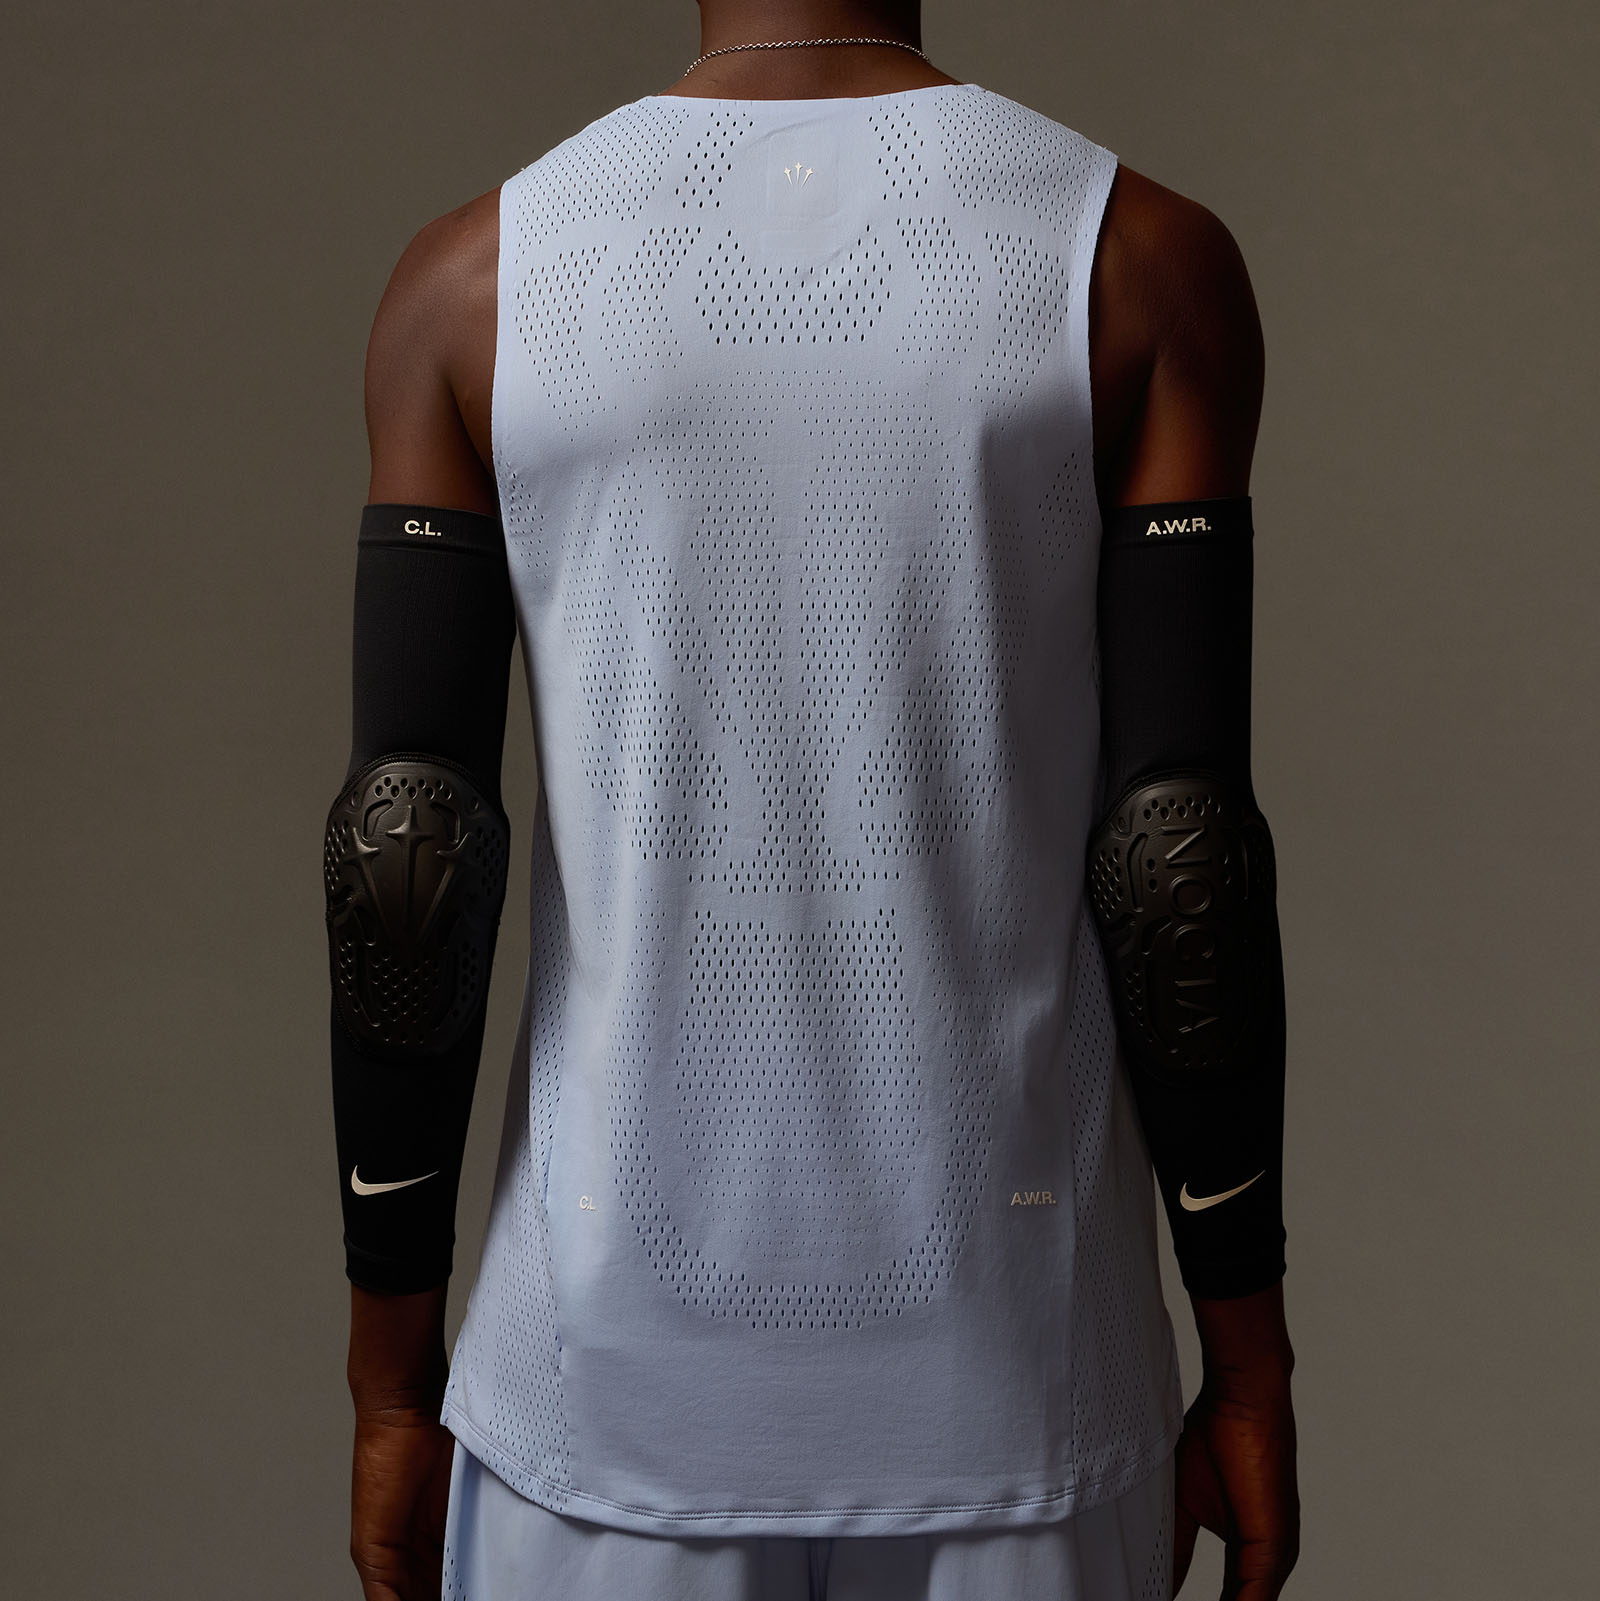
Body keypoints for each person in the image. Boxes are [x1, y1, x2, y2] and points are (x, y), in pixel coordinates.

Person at [322, 4, 1300, 1597]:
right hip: (1021, 1364)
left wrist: (387, 1378)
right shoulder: (1134, 260)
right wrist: (1250, 1354)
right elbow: (1178, 862)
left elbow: (403, 861)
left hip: (598, 1379)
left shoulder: (476, 280)